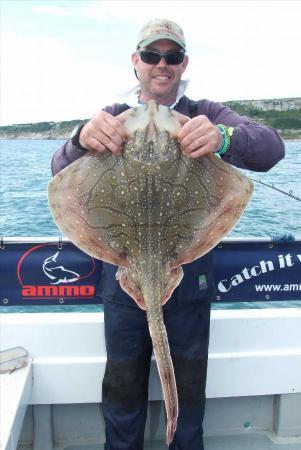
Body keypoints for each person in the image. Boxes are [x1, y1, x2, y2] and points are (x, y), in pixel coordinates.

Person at [51, 18, 285, 450]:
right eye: (153, 55)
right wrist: (80, 138)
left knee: (189, 387)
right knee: (122, 384)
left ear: (183, 63)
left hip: (188, 270)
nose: (163, 64)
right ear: (136, 62)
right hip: (122, 269)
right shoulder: (113, 118)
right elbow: (60, 174)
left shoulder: (207, 113)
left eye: (172, 56)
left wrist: (224, 137)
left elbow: (271, 148)